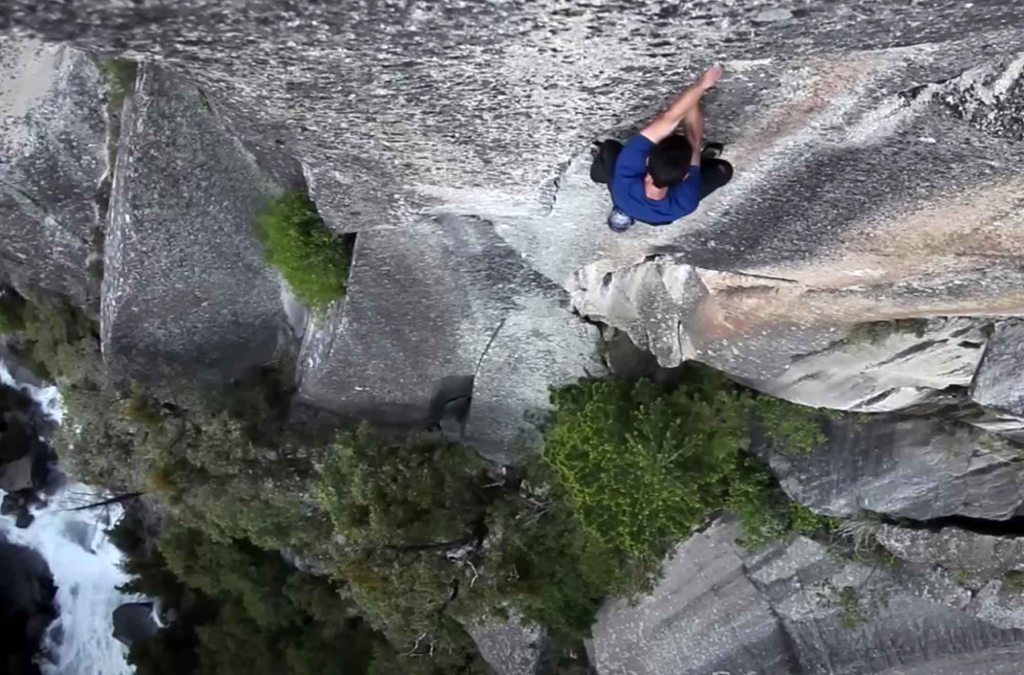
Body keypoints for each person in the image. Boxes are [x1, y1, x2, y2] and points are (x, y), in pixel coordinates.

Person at [590, 65, 733, 232]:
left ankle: (606, 185)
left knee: (609, 148)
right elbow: (694, 139)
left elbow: (668, 119)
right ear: (685, 175)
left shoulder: (627, 174)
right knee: (723, 170)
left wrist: (701, 86)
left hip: (627, 200)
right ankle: (702, 162)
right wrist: (696, 92)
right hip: (661, 215)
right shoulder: (685, 202)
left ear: (647, 160)